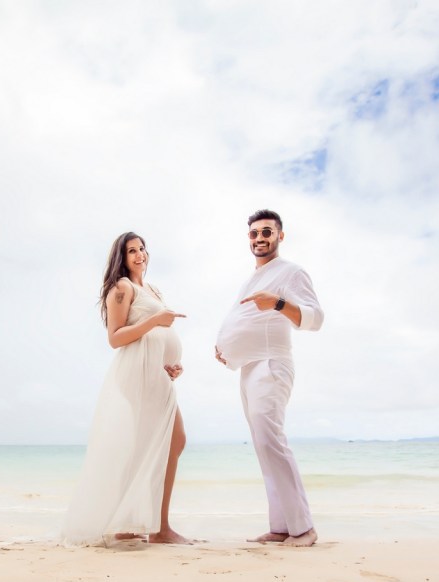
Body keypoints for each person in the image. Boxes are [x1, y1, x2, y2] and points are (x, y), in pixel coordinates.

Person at [61, 232, 190, 545]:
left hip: (155, 372)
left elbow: (155, 337)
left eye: (142, 248)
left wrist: (171, 364)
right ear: (122, 256)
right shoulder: (121, 287)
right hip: (137, 373)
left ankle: (134, 523)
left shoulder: (152, 288)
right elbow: (116, 337)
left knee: (161, 444)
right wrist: (156, 320)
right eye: (132, 250)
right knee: (169, 441)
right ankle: (157, 528)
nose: (139, 254)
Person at [215, 209, 324, 547]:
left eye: (266, 232)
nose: (259, 238)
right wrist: (226, 348)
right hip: (249, 368)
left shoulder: (291, 273)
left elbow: (315, 318)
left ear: (280, 235)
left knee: (271, 441)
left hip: (271, 364)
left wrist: (277, 303)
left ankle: (303, 528)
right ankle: (281, 527)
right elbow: (244, 318)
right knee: (263, 448)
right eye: (254, 234)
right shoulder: (252, 277)